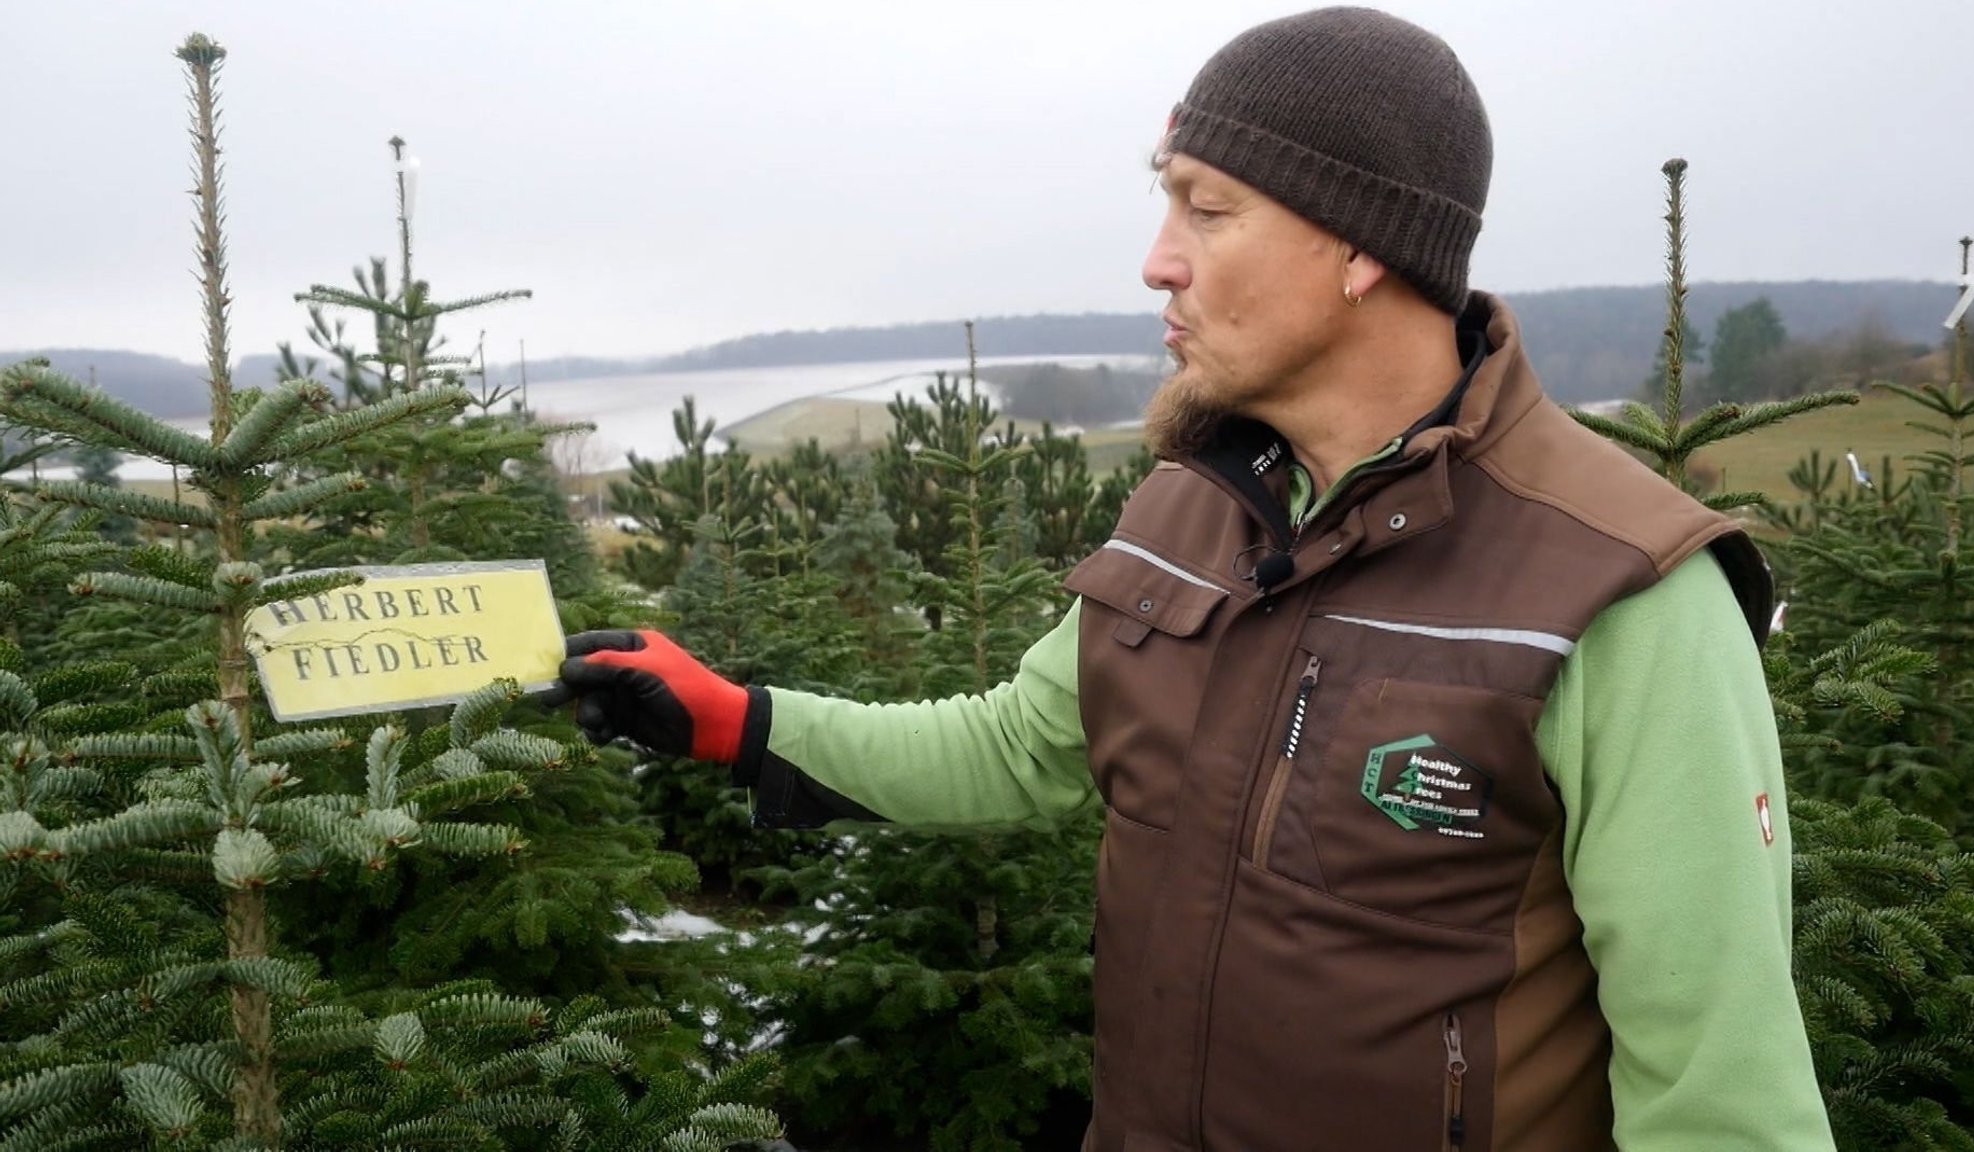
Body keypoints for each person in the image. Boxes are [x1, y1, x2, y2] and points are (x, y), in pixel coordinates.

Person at [549, 8, 1837, 1149]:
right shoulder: (1195, 503)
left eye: (1206, 208)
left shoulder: (1616, 589)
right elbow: (1012, 744)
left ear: (1361, 246)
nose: (1158, 259)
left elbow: (1721, 1096)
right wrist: (733, 720)